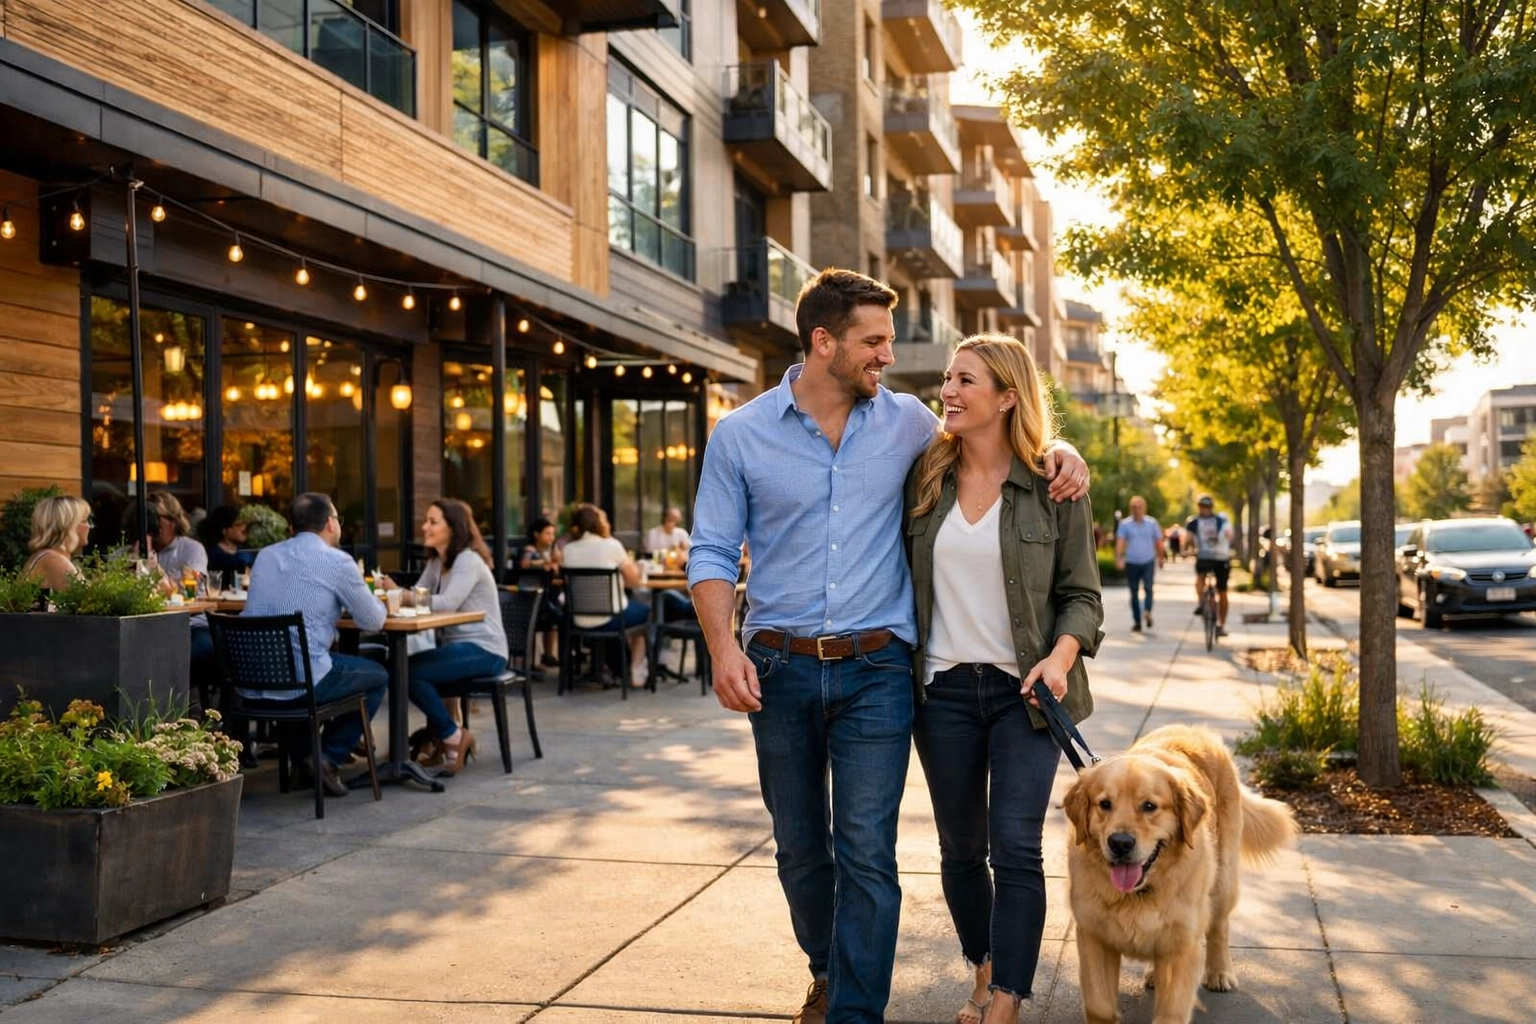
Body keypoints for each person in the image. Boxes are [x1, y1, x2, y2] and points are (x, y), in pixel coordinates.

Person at [687, 268, 1089, 1024]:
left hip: (878, 669)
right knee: (800, 848)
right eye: (873, 342)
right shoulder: (740, 434)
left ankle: (856, 1012)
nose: (887, 356)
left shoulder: (908, 423)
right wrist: (722, 648)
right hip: (776, 666)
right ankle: (828, 971)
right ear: (823, 341)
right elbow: (710, 550)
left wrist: (1063, 451)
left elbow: (999, 435)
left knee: (867, 850)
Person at [905, 336, 1103, 1024]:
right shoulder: (923, 475)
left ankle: (1007, 1000)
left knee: (1016, 845)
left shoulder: (1053, 485)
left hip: (1027, 694)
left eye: (966, 380)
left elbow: (1082, 594)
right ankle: (985, 967)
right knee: (960, 849)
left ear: (1007, 397)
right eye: (948, 378)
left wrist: (1060, 657)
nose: (948, 391)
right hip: (942, 693)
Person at [241, 493, 388, 797]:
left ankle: (303, 761)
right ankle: (326, 757)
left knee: (303, 662)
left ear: (292, 526)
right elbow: (373, 621)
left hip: (251, 682)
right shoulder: (337, 561)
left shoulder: (266, 556)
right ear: (331, 523)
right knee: (376, 676)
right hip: (301, 685)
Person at [391, 499, 506, 774]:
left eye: (433, 522)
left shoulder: (468, 559)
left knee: (406, 672)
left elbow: (447, 603)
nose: (424, 527)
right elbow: (418, 595)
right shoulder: (436, 561)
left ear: (453, 528)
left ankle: (450, 735)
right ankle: (445, 735)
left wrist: (401, 595)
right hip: (459, 649)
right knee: (401, 669)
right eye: (425, 521)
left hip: (485, 650)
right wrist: (396, 592)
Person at [560, 503, 651, 688]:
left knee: (626, 609)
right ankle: (636, 670)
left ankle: (607, 666)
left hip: (577, 618)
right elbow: (634, 581)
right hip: (610, 618)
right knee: (645, 612)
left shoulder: (568, 550)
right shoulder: (612, 545)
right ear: (598, 524)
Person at [1114, 495, 1164, 633]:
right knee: (1134, 592)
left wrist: (1161, 558)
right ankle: (1137, 621)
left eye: (1139, 506)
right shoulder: (1125, 524)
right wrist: (1119, 558)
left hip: (1148, 561)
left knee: (1148, 588)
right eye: (1134, 507)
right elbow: (1120, 543)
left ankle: (1147, 611)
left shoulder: (1152, 523)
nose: (1137, 509)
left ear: (1144, 507)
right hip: (1132, 562)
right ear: (1131, 508)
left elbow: (1159, 542)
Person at [22, 495, 92, 593]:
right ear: (68, 526)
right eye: (84, 521)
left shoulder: (46, 556)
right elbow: (86, 599)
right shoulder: (55, 561)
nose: (89, 526)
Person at [1186, 495, 1234, 636]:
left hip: (1221, 558)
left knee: (1222, 591)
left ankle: (1221, 625)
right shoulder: (1194, 522)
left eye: (1207, 507)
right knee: (1200, 577)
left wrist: (1227, 535)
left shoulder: (1221, 521)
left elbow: (1229, 534)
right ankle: (1202, 603)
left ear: (1211, 507)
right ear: (1199, 507)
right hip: (1204, 557)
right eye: (1202, 506)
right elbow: (1188, 538)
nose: (1205, 509)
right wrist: (1184, 550)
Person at [519, 517, 563, 669]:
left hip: (546, 592)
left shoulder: (550, 550)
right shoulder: (530, 550)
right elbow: (524, 564)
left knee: (554, 613)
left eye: (553, 534)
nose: (551, 537)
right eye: (547, 533)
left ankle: (548, 655)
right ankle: (531, 662)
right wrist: (545, 563)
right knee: (545, 616)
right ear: (536, 534)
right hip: (530, 595)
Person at [198, 505, 255, 577]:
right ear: (224, 530)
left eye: (244, 524)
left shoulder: (244, 550)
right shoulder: (213, 554)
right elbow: (240, 560)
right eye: (238, 525)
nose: (244, 528)